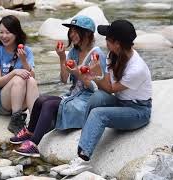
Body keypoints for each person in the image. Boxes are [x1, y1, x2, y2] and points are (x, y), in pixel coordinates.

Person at [59, 19, 153, 176]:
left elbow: (110, 88)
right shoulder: (114, 55)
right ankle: (84, 145)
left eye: (108, 39)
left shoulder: (137, 68)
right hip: (121, 102)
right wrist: (92, 75)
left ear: (117, 43)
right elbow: (106, 88)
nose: (105, 41)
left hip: (138, 110)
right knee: (97, 97)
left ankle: (83, 160)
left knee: (99, 114)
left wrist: (93, 74)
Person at [10, 15, 107, 158]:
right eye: (71, 31)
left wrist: (79, 74)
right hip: (74, 96)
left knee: (49, 105)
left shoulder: (96, 55)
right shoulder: (74, 52)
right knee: (41, 100)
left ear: (87, 33)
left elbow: (98, 89)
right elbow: (64, 80)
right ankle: (30, 132)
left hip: (88, 101)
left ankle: (34, 144)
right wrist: (62, 57)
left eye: (75, 31)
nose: (72, 35)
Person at [0, 15, 39, 134]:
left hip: (20, 100)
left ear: (16, 33)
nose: (4, 36)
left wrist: (24, 60)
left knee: (30, 80)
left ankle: (35, 120)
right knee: (18, 79)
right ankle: (16, 121)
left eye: (8, 32)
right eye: (1, 32)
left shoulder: (26, 51)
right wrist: (15, 72)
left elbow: (33, 78)